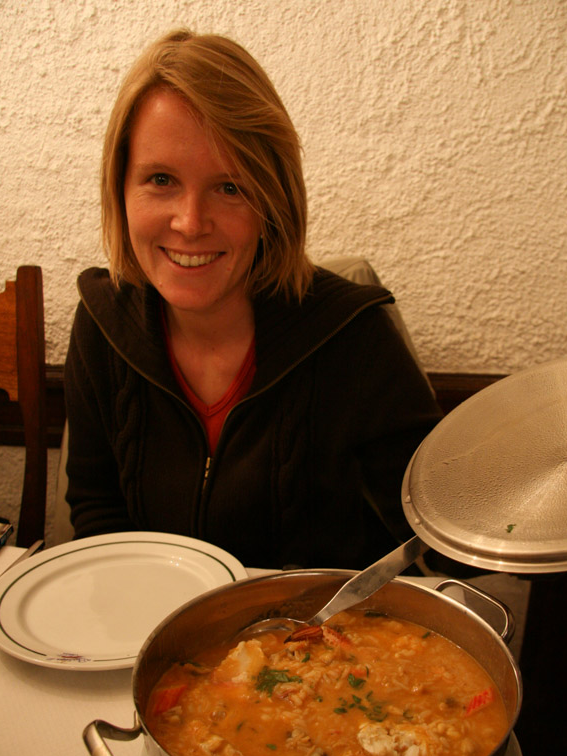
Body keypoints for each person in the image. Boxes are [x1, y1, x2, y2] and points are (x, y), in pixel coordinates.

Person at [64, 29, 441, 570]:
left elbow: (436, 545)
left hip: (318, 643)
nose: (190, 223)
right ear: (120, 190)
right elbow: (98, 517)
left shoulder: (355, 337)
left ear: (274, 200)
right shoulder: (100, 322)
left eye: (230, 187)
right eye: (161, 179)